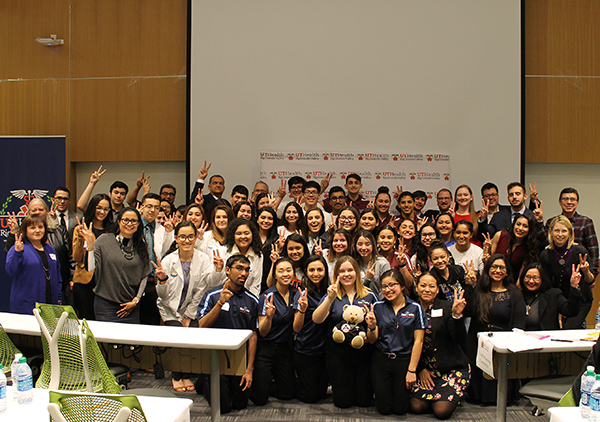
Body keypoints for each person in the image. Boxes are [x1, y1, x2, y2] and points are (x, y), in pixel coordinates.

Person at [155, 221, 222, 392]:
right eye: (182, 237)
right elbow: (163, 296)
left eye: (190, 236)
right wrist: (162, 280)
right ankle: (177, 375)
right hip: (168, 309)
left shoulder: (203, 258)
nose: (187, 240)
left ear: (195, 237)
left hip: (191, 308)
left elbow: (206, 287)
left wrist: (218, 270)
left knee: (191, 332)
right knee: (178, 335)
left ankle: (185, 374)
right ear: (176, 238)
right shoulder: (168, 260)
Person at [312, 256, 378, 408]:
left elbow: (374, 337)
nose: (346, 274)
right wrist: (330, 299)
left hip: (363, 354)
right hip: (337, 354)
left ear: (357, 273)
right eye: (342, 271)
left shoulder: (369, 295)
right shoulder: (332, 295)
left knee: (364, 402)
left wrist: (372, 327)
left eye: (350, 270)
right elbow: (316, 319)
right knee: (343, 402)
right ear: (336, 275)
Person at [197, 255, 259, 413]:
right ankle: (204, 381)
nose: (243, 273)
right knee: (223, 407)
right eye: (239, 268)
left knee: (240, 404)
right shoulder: (212, 296)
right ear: (227, 270)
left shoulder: (252, 300)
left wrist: (249, 370)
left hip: (239, 358)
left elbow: (253, 336)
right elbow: (202, 325)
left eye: (246, 270)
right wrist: (219, 304)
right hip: (215, 357)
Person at [410, 272, 470, 420]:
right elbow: (407, 344)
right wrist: (420, 369)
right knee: (416, 407)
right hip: (426, 369)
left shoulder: (447, 307)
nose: (427, 289)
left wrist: (456, 316)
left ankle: (447, 396)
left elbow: (459, 339)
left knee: (441, 412)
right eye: (423, 286)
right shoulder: (410, 308)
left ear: (437, 290)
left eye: (432, 286)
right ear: (416, 288)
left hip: (450, 367)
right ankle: (441, 396)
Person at [467, 254, 525, 404]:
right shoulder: (479, 291)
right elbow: (468, 312)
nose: (497, 270)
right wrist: (469, 286)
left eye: (501, 268)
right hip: (482, 343)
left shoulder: (514, 293)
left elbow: (519, 323)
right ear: (488, 269)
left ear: (507, 272)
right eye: (494, 267)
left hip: (504, 344)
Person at [366, 269, 426, 415]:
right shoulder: (378, 307)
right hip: (381, 359)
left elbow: (419, 341)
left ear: (402, 286)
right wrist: (372, 326)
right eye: (384, 286)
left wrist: (412, 370)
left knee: (400, 410)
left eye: (392, 285)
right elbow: (372, 340)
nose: (388, 290)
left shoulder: (415, 308)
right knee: (384, 409)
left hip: (404, 361)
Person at [81, 207, 150, 323]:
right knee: (107, 340)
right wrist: (90, 247)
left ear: (138, 224)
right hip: (106, 304)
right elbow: (89, 267)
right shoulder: (104, 240)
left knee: (129, 341)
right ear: (119, 222)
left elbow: (144, 275)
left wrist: (136, 300)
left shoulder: (141, 245)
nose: (129, 224)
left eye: (133, 221)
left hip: (131, 306)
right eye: (125, 220)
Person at [251, 258, 297, 405]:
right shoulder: (267, 296)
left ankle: (268, 382)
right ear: (275, 275)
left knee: (288, 394)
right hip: (265, 348)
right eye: (281, 271)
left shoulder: (296, 294)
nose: (285, 274)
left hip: (284, 348)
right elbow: (262, 332)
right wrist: (269, 317)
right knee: (259, 399)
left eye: (288, 270)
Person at [539, 215, 594, 329]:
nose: (560, 235)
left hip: (581, 300)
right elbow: (548, 286)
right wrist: (558, 309)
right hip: (558, 300)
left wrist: (586, 271)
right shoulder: (546, 255)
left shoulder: (580, 251)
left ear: (569, 233)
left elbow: (590, 280)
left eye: (564, 231)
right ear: (551, 232)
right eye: (557, 231)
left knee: (569, 330)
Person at [6, 215, 63, 314]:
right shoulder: (19, 248)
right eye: (32, 228)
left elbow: (57, 274)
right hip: (27, 306)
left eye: (40, 227)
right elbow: (11, 270)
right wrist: (17, 253)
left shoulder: (50, 249)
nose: (37, 230)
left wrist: (58, 296)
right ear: (25, 230)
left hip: (50, 304)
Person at [293, 255, 330, 403]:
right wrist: (302, 310)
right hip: (306, 348)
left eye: (320, 269)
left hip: (325, 349)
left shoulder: (330, 291)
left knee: (321, 394)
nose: (316, 273)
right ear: (306, 272)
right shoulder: (302, 293)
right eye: (312, 270)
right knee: (310, 397)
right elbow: (296, 328)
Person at [72, 193, 113, 320]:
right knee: (86, 320)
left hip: (105, 283)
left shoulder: (112, 230)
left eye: (106, 209)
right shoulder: (80, 229)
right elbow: (76, 258)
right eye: (99, 207)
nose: (102, 212)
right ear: (92, 207)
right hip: (84, 282)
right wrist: (80, 237)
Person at [544, 187, 599, 278]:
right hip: (555, 272)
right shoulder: (552, 222)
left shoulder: (586, 222)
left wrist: (592, 274)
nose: (569, 202)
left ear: (577, 203)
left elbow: (593, 250)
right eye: (565, 199)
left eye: (572, 199)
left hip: (580, 272)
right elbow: (544, 243)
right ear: (560, 202)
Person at [139, 193, 175, 326]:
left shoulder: (162, 229)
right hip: (135, 282)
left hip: (154, 281)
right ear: (141, 207)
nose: (152, 210)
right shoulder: (134, 226)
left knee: (151, 322)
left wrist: (169, 234)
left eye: (156, 207)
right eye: (149, 206)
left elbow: (166, 254)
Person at [519, 262, 581, 330]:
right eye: (528, 277)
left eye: (535, 277)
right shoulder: (517, 295)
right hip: (521, 338)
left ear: (542, 279)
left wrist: (574, 287)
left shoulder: (553, 294)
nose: (531, 281)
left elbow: (571, 311)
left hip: (546, 338)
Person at [219, 218, 263, 297]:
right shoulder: (223, 252)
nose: (243, 237)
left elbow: (256, 285)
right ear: (233, 235)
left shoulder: (258, 255)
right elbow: (214, 282)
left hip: (246, 300)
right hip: (223, 296)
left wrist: (251, 303)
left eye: (246, 233)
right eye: (239, 233)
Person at [490, 213, 540, 279]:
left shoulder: (529, 247)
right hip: (494, 278)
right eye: (518, 224)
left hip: (512, 283)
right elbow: (490, 261)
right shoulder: (500, 235)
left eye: (525, 226)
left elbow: (520, 277)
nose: (520, 228)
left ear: (529, 230)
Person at [352, 230, 391, 299]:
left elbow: (387, 288)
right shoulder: (353, 264)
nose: (363, 248)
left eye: (367, 244)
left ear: (373, 245)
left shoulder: (383, 263)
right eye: (360, 244)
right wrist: (367, 280)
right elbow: (353, 290)